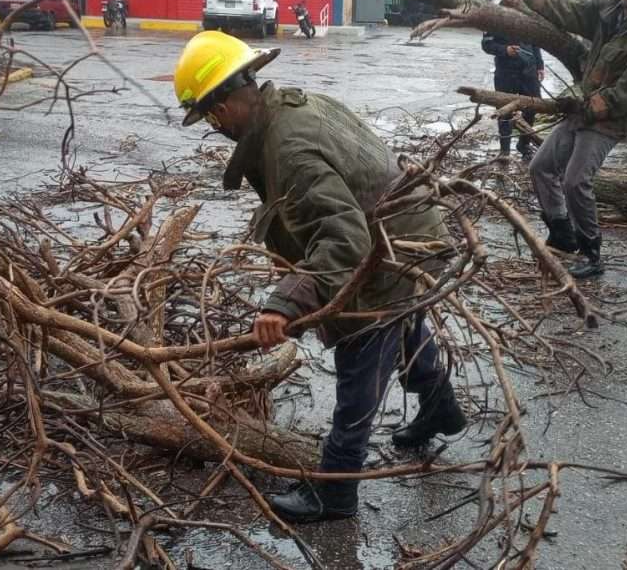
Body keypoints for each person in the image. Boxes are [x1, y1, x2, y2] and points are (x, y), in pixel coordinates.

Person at [172, 31, 467, 523]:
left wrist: (284, 301)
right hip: (409, 238)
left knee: (361, 351)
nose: (212, 125)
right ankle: (441, 408)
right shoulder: (292, 106)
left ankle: (335, 492)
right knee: (403, 323)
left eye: (207, 115)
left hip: (388, 251)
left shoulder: (289, 148)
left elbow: (342, 240)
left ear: (221, 108)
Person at [512, 0, 627, 279]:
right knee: (541, 166)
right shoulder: (612, 11)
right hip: (583, 110)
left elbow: (626, 96)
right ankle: (562, 232)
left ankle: (591, 252)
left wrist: (584, 107)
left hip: (608, 122)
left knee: (575, 180)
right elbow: (570, 7)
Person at [482, 0, 545, 162]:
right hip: (506, 71)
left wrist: (540, 65)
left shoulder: (529, 12)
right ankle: (505, 150)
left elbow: (535, 42)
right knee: (505, 111)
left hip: (528, 70)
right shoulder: (494, 14)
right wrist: (505, 50)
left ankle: (524, 145)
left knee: (532, 108)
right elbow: (487, 44)